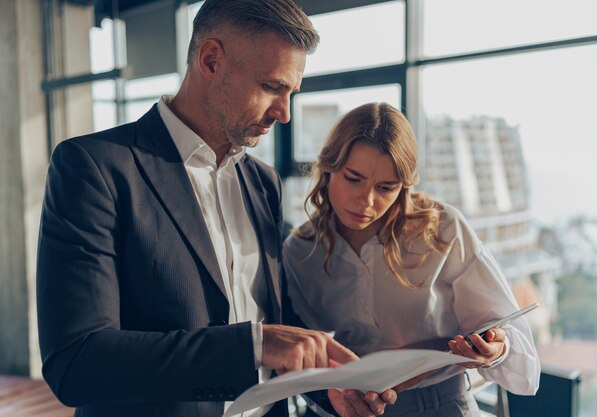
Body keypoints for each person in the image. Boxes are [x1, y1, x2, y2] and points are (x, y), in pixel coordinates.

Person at [36, 2, 396, 417]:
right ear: (211, 60)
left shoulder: (263, 182)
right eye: (271, 87)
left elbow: (271, 315)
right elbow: (77, 362)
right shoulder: (94, 167)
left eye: (290, 93)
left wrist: (328, 381)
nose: (284, 113)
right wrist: (256, 345)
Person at [282, 102, 541, 417]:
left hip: (441, 407)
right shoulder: (300, 251)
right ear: (328, 168)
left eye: (386, 187)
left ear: (403, 186)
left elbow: (517, 351)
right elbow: (304, 354)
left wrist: (496, 349)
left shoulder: (442, 228)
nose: (367, 201)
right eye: (353, 178)